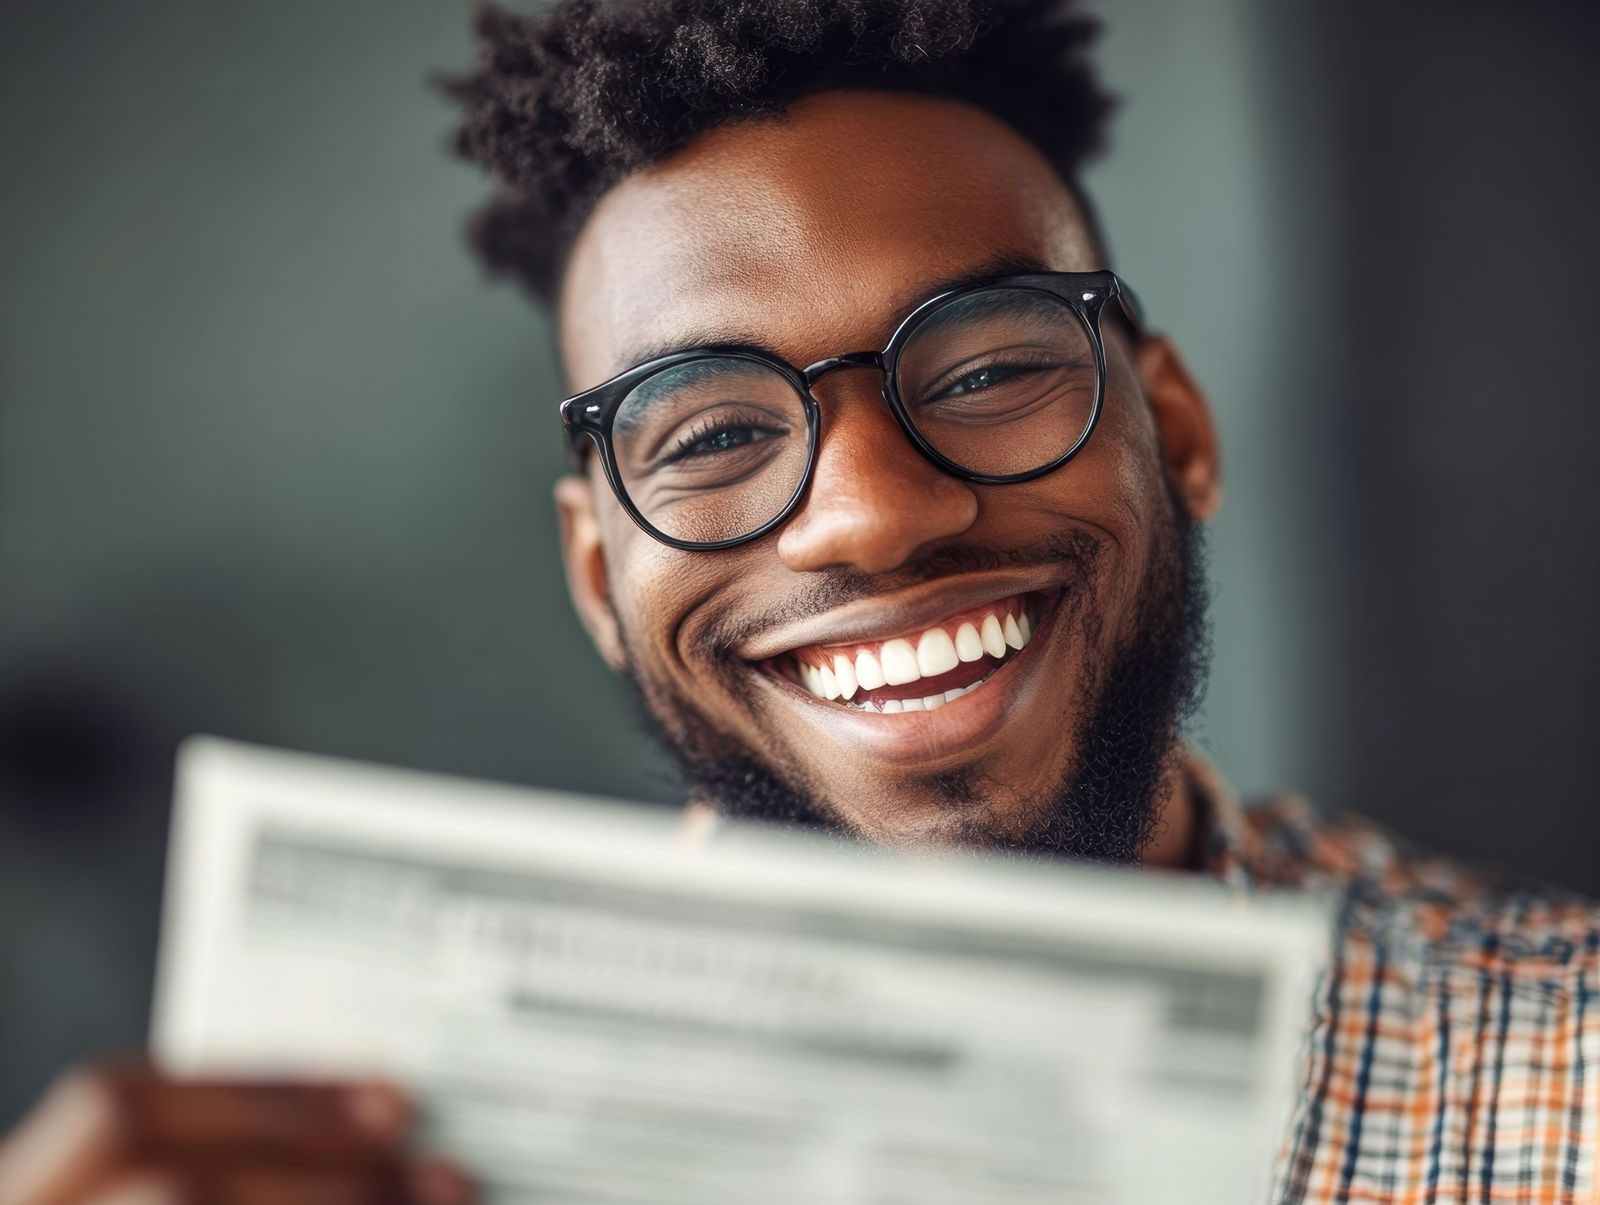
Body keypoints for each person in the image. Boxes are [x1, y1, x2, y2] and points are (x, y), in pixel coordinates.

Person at [2, 0, 1596, 1201]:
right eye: (707, 435)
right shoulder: (365, 1143)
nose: (874, 512)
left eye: (984, 367)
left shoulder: (1561, 1090)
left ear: (1172, 433)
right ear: (597, 582)